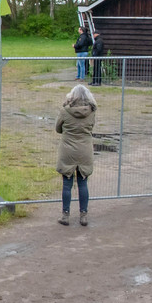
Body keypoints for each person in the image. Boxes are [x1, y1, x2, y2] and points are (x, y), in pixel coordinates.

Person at [56, 84, 96, 227]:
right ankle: (83, 215)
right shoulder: (92, 111)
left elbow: (58, 128)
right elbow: (92, 127)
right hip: (85, 150)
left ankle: (65, 215)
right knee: (83, 182)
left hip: (68, 150)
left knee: (67, 183)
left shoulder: (65, 111)